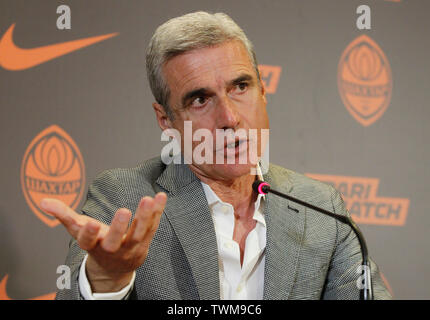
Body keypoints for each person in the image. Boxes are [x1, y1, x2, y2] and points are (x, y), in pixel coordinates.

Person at [41, 11, 392, 300]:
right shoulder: (124, 198)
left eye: (240, 87)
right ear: (166, 119)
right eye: (200, 99)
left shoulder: (322, 209)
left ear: (263, 92)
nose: (230, 118)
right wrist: (108, 280)